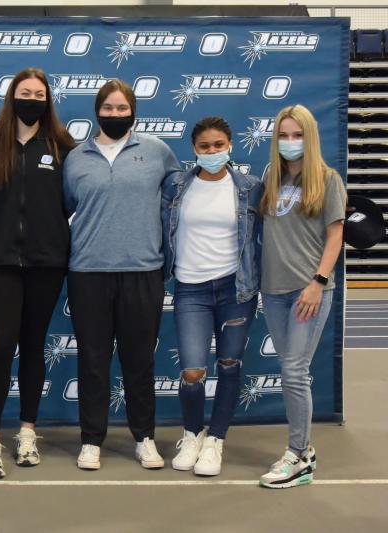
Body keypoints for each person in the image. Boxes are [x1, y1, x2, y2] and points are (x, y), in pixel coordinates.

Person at [63, 79, 181, 470]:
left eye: (122, 108)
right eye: (108, 108)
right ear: (97, 111)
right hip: (88, 273)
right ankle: (91, 439)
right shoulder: (76, 157)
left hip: (143, 271)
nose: (115, 114)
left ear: (133, 111)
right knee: (92, 361)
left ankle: (145, 438)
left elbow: (178, 199)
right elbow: (63, 208)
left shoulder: (158, 152)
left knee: (139, 361)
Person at [0, 67, 75, 478]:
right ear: (11, 97)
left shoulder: (63, 146)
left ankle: (28, 433)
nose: (31, 99)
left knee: (33, 346)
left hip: (45, 264)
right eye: (24, 92)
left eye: (38, 93)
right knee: (1, 345)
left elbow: (73, 204)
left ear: (47, 100)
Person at [161, 116, 263, 476]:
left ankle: (216, 440)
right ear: (194, 149)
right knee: (192, 370)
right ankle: (192, 434)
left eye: (219, 145)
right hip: (191, 290)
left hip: (237, 290)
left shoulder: (251, 188)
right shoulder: (177, 187)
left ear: (230, 145)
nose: (212, 152)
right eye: (205, 146)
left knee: (229, 365)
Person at [258, 104, 345, 489]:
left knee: (295, 371)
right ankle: (301, 451)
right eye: (284, 135)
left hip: (308, 290)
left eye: (297, 135)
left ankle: (299, 455)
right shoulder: (269, 177)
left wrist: (317, 281)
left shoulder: (327, 180)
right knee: (290, 369)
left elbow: (335, 235)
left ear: (310, 138)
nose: (290, 142)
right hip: (273, 290)